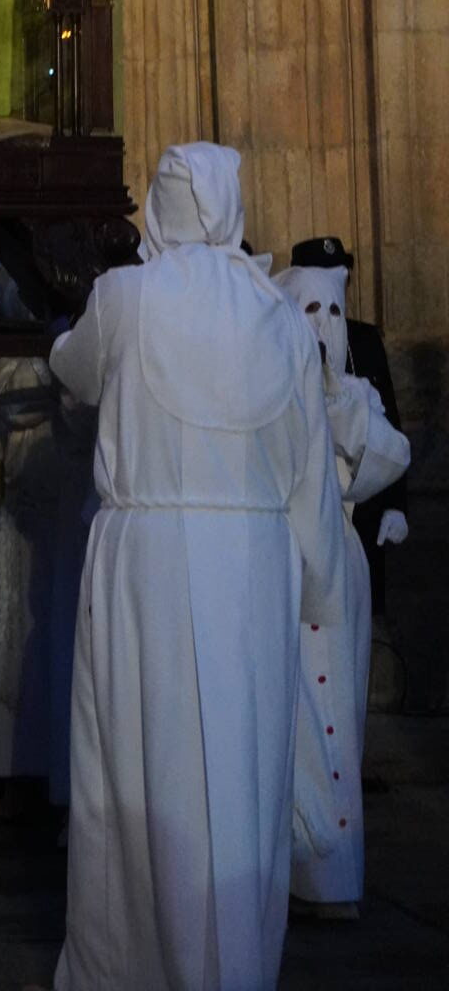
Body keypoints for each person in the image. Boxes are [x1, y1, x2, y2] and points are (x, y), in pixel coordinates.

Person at [51, 143, 346, 991]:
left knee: (140, 768)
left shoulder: (126, 298)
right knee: (244, 773)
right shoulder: (280, 318)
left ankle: (133, 968)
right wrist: (319, 586)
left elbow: (71, 368)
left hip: (147, 562)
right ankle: (233, 965)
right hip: (253, 570)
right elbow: (310, 472)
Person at [277, 264, 409, 916]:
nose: (323, 325)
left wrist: (339, 403)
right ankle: (295, 869)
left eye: (332, 311)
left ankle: (334, 879)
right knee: (296, 722)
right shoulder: (269, 391)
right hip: (285, 569)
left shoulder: (354, 392)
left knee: (339, 721)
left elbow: (388, 455)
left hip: (340, 567)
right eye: (309, 311)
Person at [289, 237, 408, 614]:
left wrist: (396, 505)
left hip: (363, 511)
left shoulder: (365, 339)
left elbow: (390, 422)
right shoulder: (283, 342)